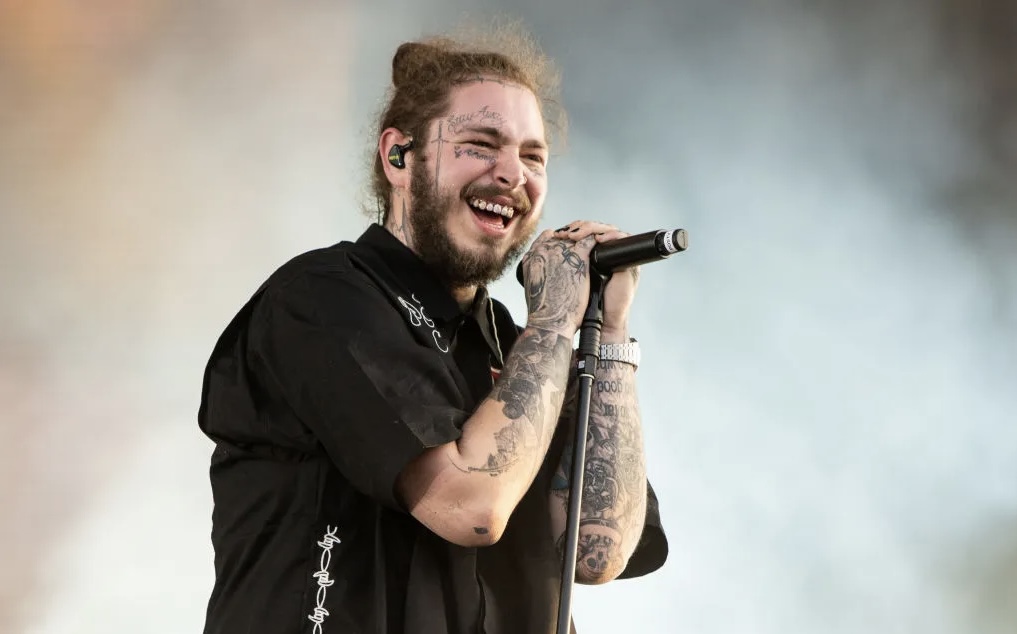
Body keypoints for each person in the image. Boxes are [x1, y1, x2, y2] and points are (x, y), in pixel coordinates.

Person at [198, 23, 668, 634]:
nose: (513, 174)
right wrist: (555, 321)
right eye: (480, 144)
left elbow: (596, 553)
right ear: (399, 156)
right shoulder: (321, 300)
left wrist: (611, 337)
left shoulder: (520, 346)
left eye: (533, 156)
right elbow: (472, 506)